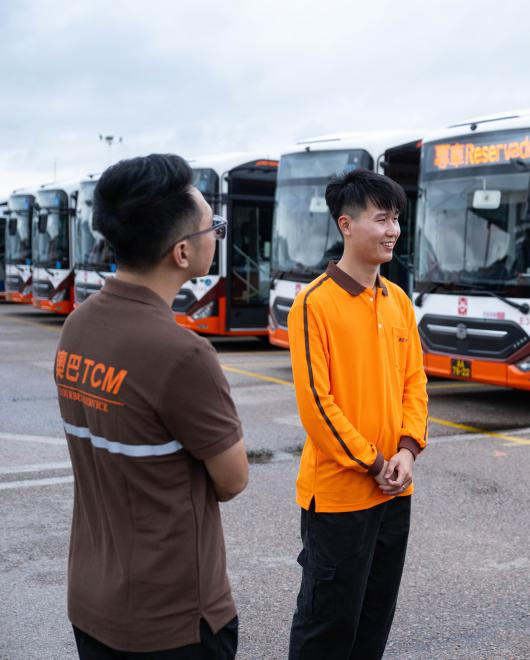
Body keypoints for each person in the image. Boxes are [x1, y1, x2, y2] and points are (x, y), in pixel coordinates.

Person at [55, 154, 248, 658]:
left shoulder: (77, 325)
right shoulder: (183, 354)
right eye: (213, 226)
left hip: (92, 601)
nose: (217, 234)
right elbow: (232, 480)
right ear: (182, 252)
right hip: (174, 619)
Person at [287, 169, 429, 659]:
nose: (393, 230)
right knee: (326, 626)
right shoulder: (313, 304)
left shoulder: (398, 301)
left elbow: (415, 383)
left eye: (396, 219)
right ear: (345, 225)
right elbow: (317, 406)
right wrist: (374, 463)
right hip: (339, 498)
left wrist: (407, 452)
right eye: (381, 219)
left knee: (374, 620)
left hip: (395, 491)